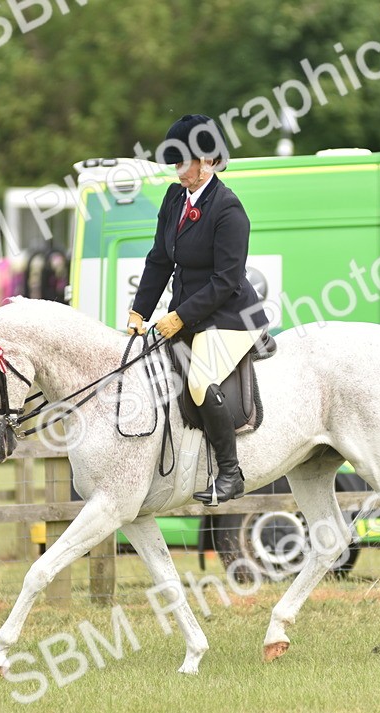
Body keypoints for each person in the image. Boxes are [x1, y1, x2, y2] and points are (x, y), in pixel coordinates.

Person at [128, 114, 269, 506]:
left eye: (182, 163)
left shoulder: (229, 210)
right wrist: (139, 312)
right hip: (189, 312)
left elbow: (226, 281)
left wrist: (178, 318)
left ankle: (230, 472)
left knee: (197, 381)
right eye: (174, 163)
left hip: (230, 317)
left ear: (207, 161)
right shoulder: (175, 199)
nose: (176, 172)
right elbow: (160, 259)